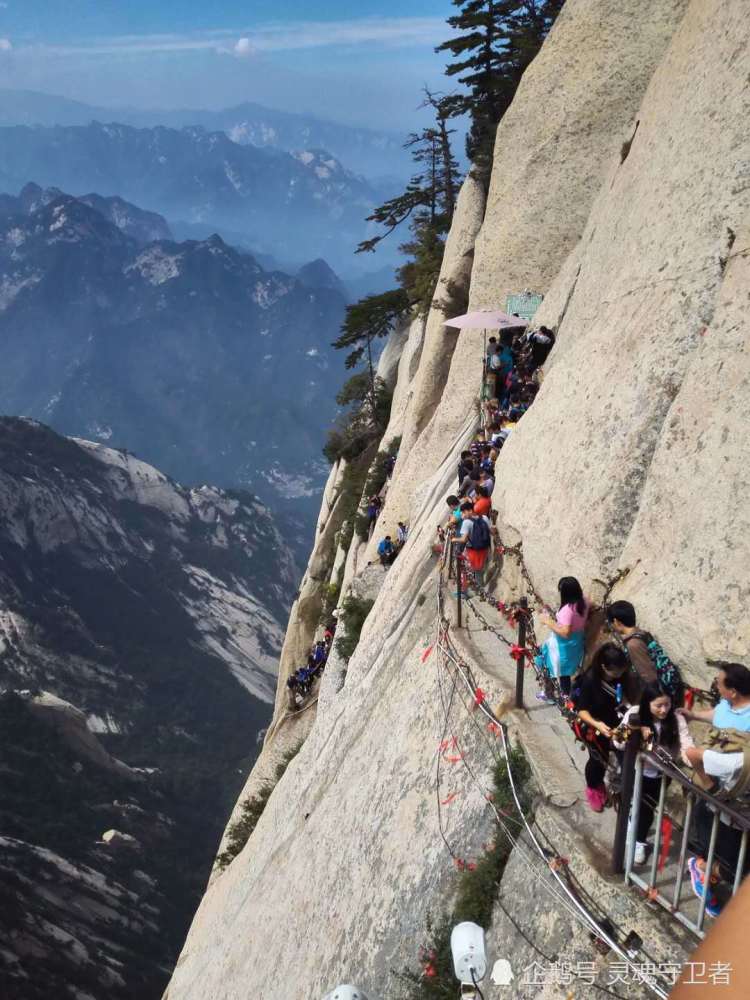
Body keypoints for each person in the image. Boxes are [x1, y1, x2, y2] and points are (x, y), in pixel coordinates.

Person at [679, 663, 750, 913]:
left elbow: (697, 756)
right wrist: (694, 715)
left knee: (727, 845)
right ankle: (703, 870)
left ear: (733, 691)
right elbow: (717, 714)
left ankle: (706, 870)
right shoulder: (727, 705)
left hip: (732, 791)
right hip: (717, 790)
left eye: (720, 683)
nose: (716, 686)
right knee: (714, 838)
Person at [614, 682, 694, 864]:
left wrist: (695, 760)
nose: (664, 710)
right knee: (637, 804)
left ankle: (637, 835)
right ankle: (634, 833)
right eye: (658, 705)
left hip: (660, 774)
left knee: (647, 808)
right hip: (636, 769)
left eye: (667, 704)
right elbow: (617, 741)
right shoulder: (635, 714)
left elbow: (686, 744)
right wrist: (635, 730)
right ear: (646, 704)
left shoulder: (676, 719)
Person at [574, 643, 629, 812]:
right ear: (604, 667)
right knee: (598, 760)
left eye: (621, 671)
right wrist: (598, 724)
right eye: (616, 672)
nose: (619, 674)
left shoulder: (619, 675)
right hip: (595, 727)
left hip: (615, 722)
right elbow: (582, 711)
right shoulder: (591, 681)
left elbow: (621, 693)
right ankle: (593, 789)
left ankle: (619, 790)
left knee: (623, 756)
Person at [606, 600, 684, 704]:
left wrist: (655, 702)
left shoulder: (633, 645)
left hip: (661, 695)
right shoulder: (642, 634)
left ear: (616, 622)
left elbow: (648, 676)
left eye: (611, 623)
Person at [537, 577, 590, 698]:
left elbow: (566, 632)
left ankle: (551, 694)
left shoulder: (568, 610)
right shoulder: (585, 602)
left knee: (545, 662)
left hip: (563, 645)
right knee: (565, 671)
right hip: (577, 642)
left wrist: (548, 622)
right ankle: (564, 694)